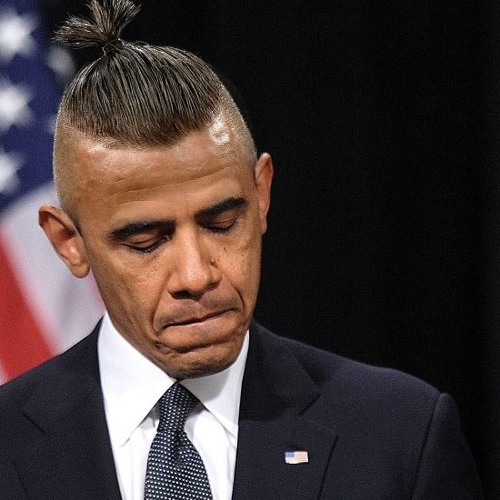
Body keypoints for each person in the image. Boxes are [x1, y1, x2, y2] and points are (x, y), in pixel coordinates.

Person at [0, 0, 483, 498]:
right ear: (69, 242)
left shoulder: (401, 436)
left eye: (222, 224)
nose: (196, 275)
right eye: (146, 242)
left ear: (262, 194)